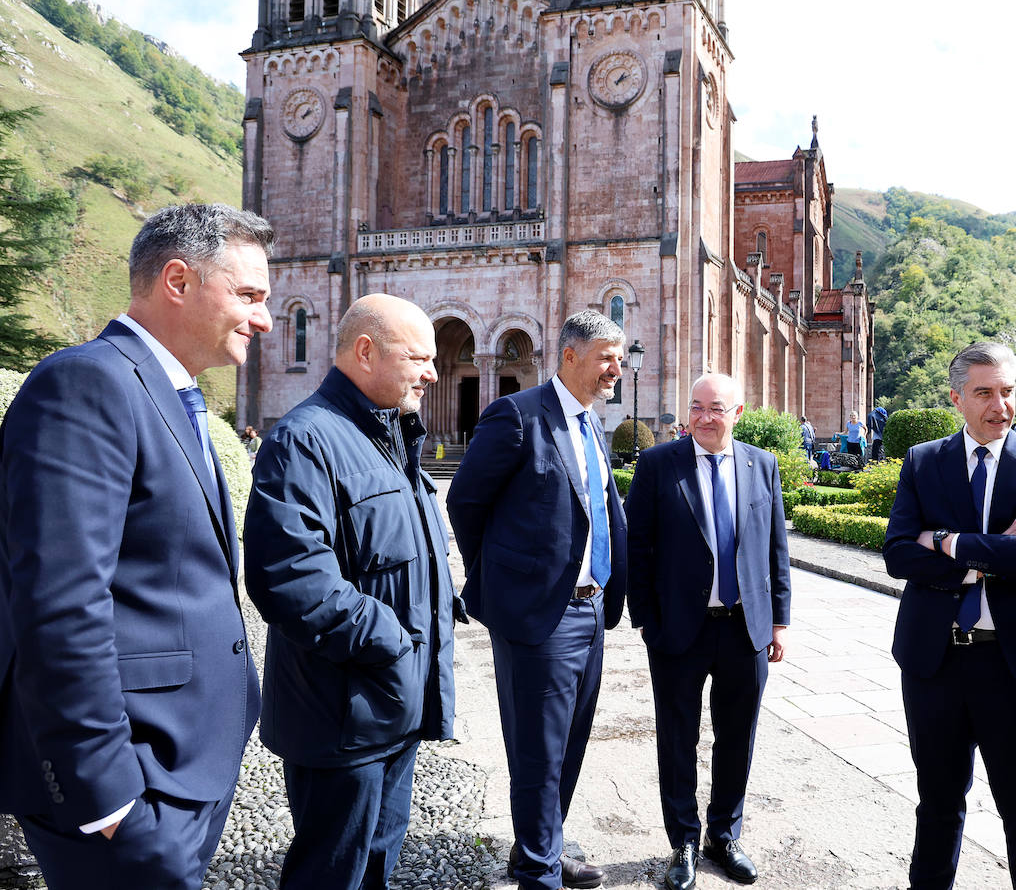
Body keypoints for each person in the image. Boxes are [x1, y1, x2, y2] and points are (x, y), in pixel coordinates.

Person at [0, 203, 273, 889]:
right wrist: (109, 797)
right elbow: (59, 605)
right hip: (133, 784)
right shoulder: (86, 383)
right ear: (177, 280)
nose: (264, 319)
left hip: (187, 767)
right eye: (248, 295)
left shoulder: (175, 395)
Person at [243, 294, 463, 889]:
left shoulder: (391, 437)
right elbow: (291, 578)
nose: (433, 374)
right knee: (330, 873)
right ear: (365, 352)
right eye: (418, 357)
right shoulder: (305, 440)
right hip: (341, 718)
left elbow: (398, 549)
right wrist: (394, 642)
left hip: (390, 708)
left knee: (375, 868)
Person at [882, 341, 1016, 890]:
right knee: (938, 806)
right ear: (956, 398)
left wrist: (947, 542)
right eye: (985, 393)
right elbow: (898, 553)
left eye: (1008, 390)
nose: (1001, 405)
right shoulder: (924, 461)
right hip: (937, 661)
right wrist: (991, 550)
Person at [448, 310, 629, 890]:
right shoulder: (517, 416)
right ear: (570, 355)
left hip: (590, 610)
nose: (616, 369)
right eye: (607, 357)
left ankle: (542, 850)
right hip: (538, 617)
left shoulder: (592, 426)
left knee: (570, 744)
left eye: (620, 359)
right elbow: (466, 505)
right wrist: (500, 583)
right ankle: (537, 872)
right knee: (538, 752)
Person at [624, 373, 791, 890]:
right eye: (695, 407)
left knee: (737, 736)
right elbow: (639, 549)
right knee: (677, 737)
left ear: (737, 413)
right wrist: (647, 620)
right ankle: (684, 843)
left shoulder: (761, 465)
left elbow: (775, 550)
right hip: (679, 630)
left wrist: (778, 620)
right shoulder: (657, 465)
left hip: (746, 629)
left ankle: (725, 834)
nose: (703, 417)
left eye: (715, 408)